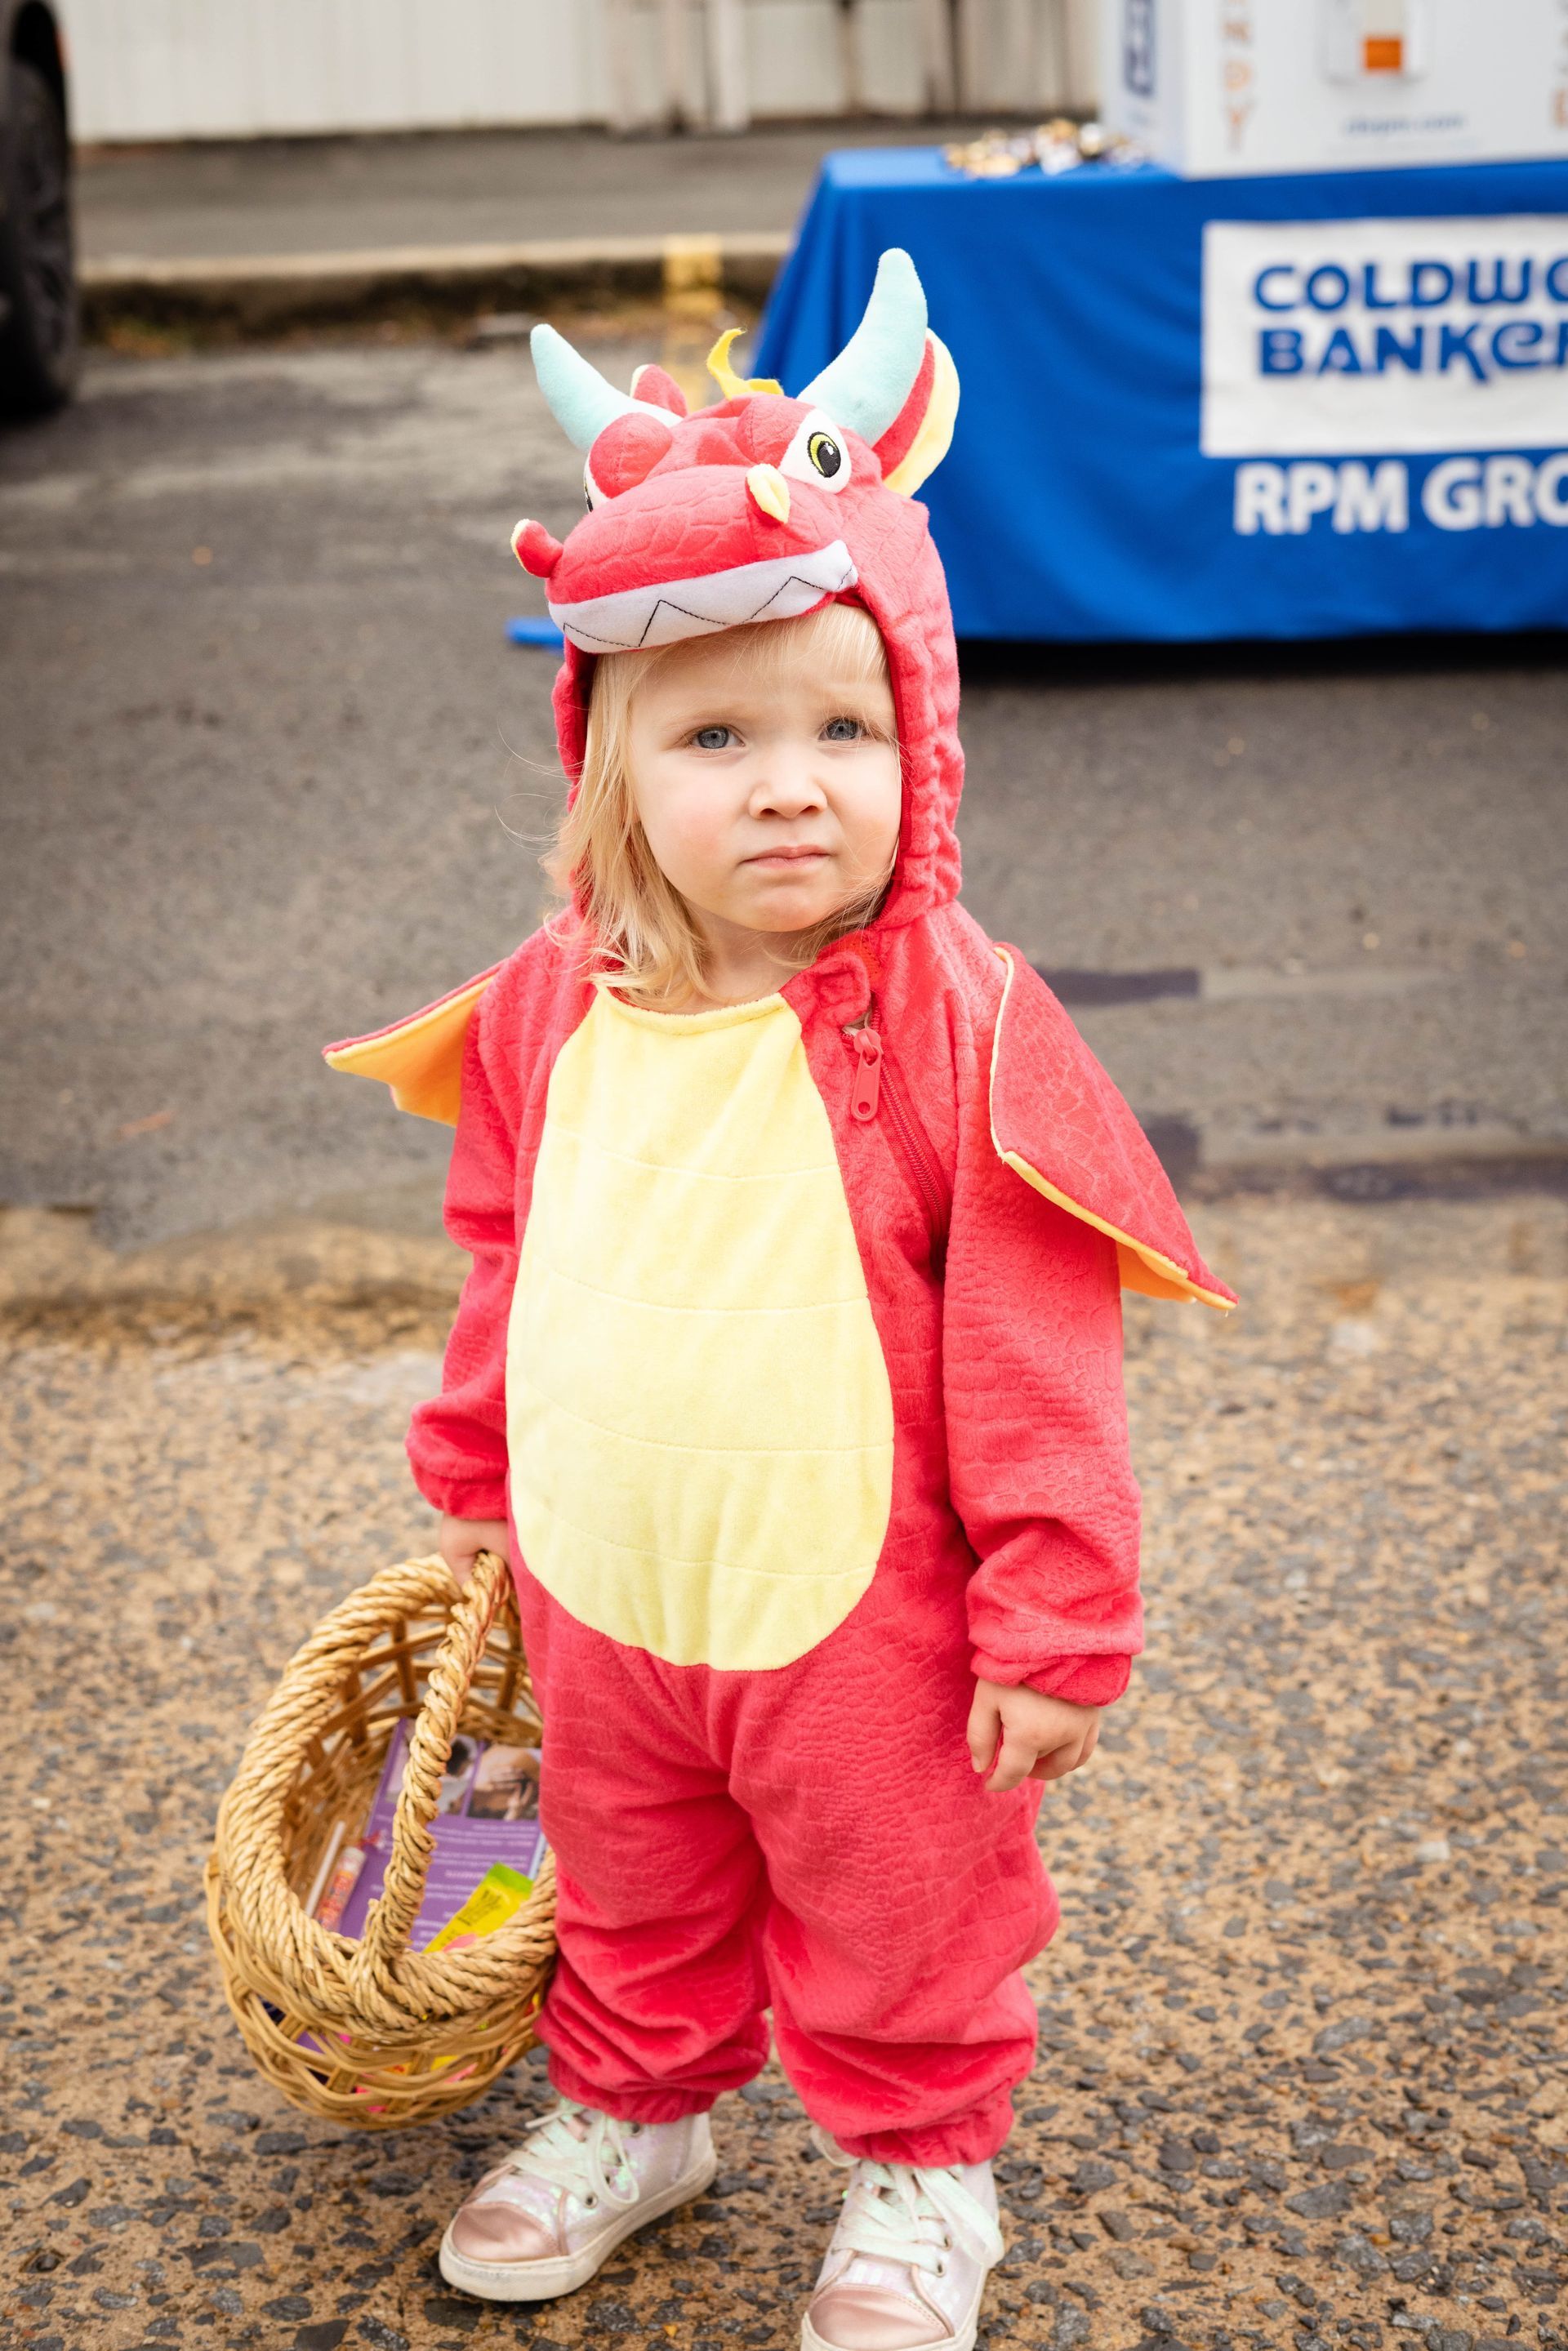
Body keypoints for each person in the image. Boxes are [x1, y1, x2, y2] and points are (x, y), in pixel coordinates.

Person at [327, 250, 1234, 2351]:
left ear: (922, 732)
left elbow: (1037, 1338)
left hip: (869, 1619)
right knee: (626, 1872)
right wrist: (471, 1472)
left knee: (902, 1897)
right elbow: (511, 1243)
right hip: (612, 1571)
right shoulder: (557, 996)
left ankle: (925, 2179)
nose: (791, 783)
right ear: (609, 765)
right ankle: (639, 2112)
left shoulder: (952, 1018)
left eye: (845, 726)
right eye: (717, 736)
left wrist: (1058, 1613)